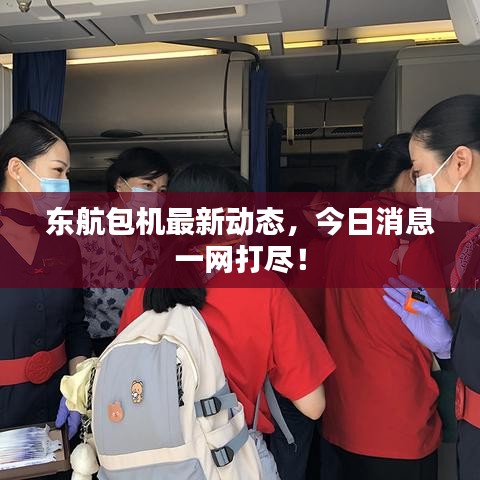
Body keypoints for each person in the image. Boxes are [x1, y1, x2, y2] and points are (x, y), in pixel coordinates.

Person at [117, 163, 336, 479]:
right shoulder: (260, 286)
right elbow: (313, 404)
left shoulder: (147, 291)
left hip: (157, 462)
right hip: (231, 458)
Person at [321, 134, 449, 480]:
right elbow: (437, 320)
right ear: (410, 173)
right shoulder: (409, 229)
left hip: (345, 411)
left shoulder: (344, 229)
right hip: (397, 416)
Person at [383, 95, 480, 480]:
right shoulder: (472, 244)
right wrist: (450, 345)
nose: (419, 188)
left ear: (460, 162)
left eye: (420, 172)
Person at [0, 111, 91, 478]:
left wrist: (79, 389)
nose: (64, 184)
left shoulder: (64, 246)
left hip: (54, 413)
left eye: (67, 174)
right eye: (57, 171)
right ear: (17, 170)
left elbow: (75, 325)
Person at [82, 147, 171, 356]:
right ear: (120, 184)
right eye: (147, 186)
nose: (155, 197)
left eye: (161, 191)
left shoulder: (154, 238)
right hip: (91, 350)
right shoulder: (85, 231)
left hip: (143, 345)